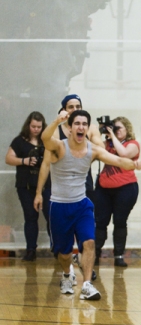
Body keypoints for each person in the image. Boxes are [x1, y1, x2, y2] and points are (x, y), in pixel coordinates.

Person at [34, 110, 141, 300]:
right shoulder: (59, 147)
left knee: (89, 243)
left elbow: (118, 160)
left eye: (84, 124)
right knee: (64, 253)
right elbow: (45, 138)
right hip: (59, 206)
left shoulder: (93, 150)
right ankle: (68, 275)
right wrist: (56, 120)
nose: (81, 127)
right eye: (77, 123)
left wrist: (134, 164)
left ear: (87, 128)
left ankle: (86, 285)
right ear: (70, 128)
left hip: (82, 205)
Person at [36, 94, 103, 277]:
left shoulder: (87, 129)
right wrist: (38, 192)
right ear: (64, 110)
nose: (74, 109)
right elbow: (45, 164)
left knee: (87, 235)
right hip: (59, 189)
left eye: (77, 106)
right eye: (70, 106)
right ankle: (67, 264)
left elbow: (100, 148)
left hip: (83, 186)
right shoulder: (56, 133)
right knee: (62, 240)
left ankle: (86, 268)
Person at [94, 116, 140, 267]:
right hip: (104, 188)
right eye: (114, 128)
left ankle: (119, 255)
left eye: (118, 128)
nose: (115, 131)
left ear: (127, 129)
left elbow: (124, 154)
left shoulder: (132, 144)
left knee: (119, 222)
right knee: (100, 222)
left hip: (125, 188)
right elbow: (94, 149)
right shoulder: (106, 143)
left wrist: (112, 135)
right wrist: (100, 131)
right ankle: (95, 254)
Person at [4, 112, 51, 261]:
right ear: (28, 125)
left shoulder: (48, 141)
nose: (36, 129)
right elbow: (8, 159)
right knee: (30, 217)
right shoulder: (19, 141)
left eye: (39, 126)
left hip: (46, 185)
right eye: (33, 126)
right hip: (25, 185)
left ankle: (57, 248)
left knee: (51, 217)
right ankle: (31, 250)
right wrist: (24, 161)